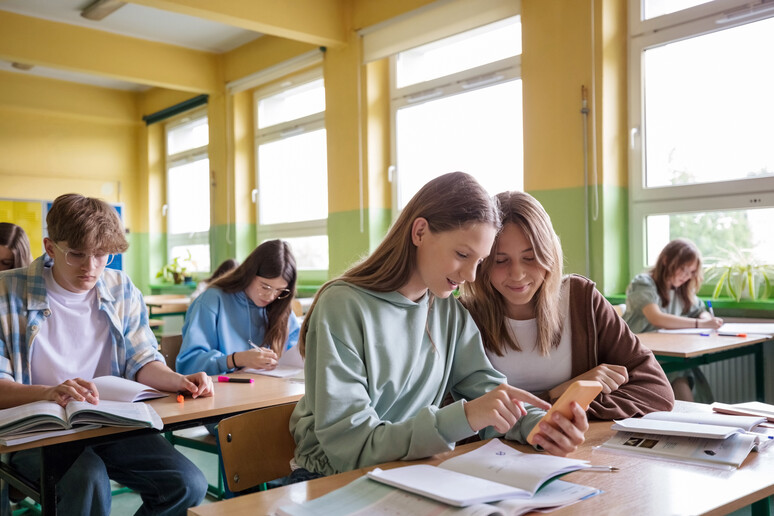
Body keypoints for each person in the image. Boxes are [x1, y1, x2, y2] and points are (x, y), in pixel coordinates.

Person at [288, 172, 588, 483]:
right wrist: (464, 417)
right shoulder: (342, 306)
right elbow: (351, 447)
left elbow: (490, 393)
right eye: (462, 255)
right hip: (329, 479)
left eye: (480, 261)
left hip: (410, 473)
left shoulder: (447, 311)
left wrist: (542, 428)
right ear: (419, 231)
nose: (471, 275)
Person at [0, 194, 211, 516]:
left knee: (187, 483)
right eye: (77, 255)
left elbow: (141, 359)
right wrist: (49, 392)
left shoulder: (120, 287)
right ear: (50, 247)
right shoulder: (6, 292)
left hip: (108, 421)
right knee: (89, 480)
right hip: (38, 428)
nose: (90, 267)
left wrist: (178, 380)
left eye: (102, 256)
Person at [461, 191, 674, 420]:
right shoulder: (464, 316)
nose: (517, 273)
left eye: (530, 257)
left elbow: (658, 392)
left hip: (574, 450)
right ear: (483, 263)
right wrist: (564, 395)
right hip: (495, 455)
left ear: (549, 254)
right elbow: (456, 419)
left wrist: (560, 412)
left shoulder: (581, 299)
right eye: (500, 261)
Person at [176, 240, 299, 376]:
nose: (270, 296)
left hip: (271, 391)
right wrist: (237, 359)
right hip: (221, 393)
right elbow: (188, 366)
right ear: (249, 273)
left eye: (279, 290)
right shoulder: (212, 300)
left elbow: (298, 355)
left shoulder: (281, 305)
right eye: (265, 287)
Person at [623, 238, 723, 402]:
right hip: (640, 355)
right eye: (683, 269)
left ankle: (691, 420)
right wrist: (701, 324)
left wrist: (708, 319)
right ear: (667, 260)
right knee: (680, 372)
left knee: (684, 371)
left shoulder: (680, 290)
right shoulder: (643, 283)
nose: (686, 276)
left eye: (691, 272)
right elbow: (656, 318)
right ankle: (690, 420)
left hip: (666, 354)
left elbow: (700, 310)